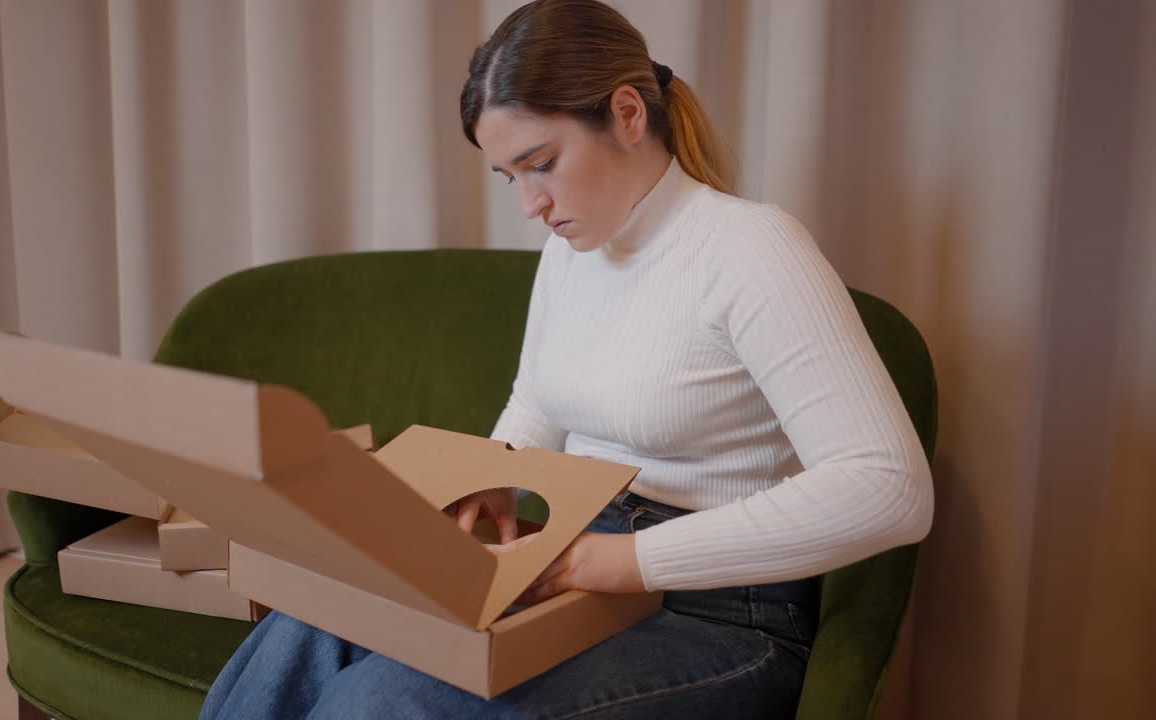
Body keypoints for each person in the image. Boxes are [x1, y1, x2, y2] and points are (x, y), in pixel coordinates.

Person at [200, 0, 933, 717]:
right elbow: (541, 402)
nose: (530, 205)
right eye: (509, 177)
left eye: (540, 164)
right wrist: (497, 472)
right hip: (576, 553)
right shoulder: (571, 253)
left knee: (385, 701)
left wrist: (603, 562)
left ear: (627, 113)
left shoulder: (751, 249)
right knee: (306, 624)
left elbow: (888, 489)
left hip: (722, 615)